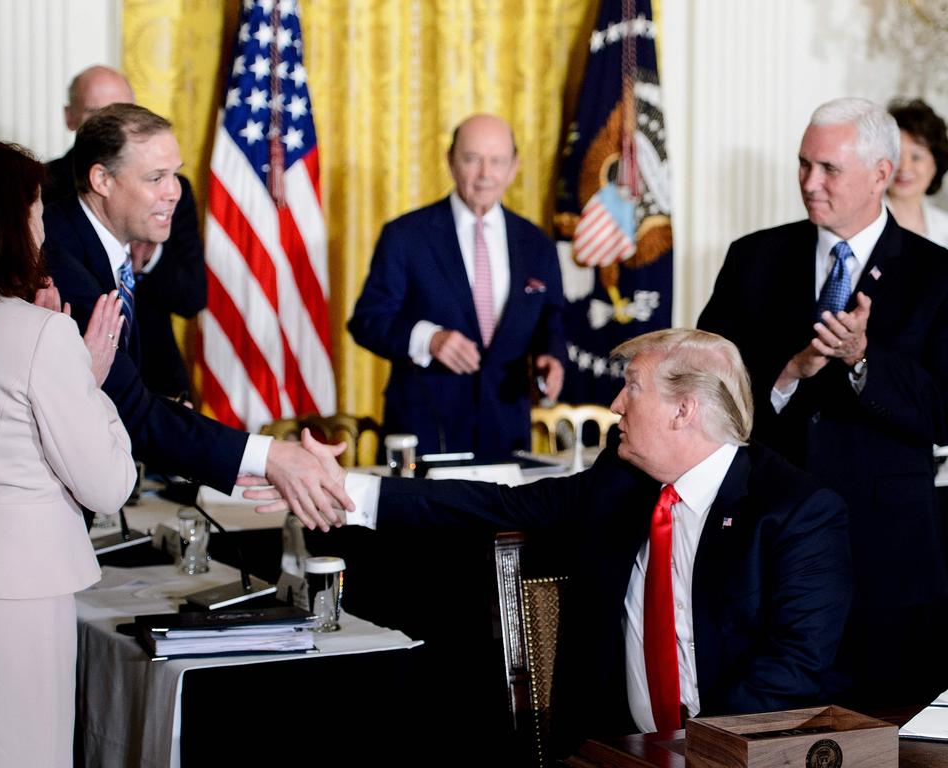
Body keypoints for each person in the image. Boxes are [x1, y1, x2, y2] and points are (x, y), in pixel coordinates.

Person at [249, 328, 853, 756]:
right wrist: (342, 488)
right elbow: (494, 506)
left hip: (737, 755)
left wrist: (690, 754)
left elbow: (792, 669)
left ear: (683, 410)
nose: (615, 404)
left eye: (633, 388)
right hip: (614, 750)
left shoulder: (797, 512)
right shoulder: (623, 483)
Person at [698, 97, 948, 708]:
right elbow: (707, 389)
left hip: (885, 562)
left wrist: (865, 362)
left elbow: (945, 411)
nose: (810, 184)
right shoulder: (753, 258)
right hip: (767, 551)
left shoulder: (937, 275)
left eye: (829, 169)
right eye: (803, 165)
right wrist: (787, 374)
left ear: (881, 173)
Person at [0, 139, 136, 766]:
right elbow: (109, 485)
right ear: (3, 220)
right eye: (37, 208)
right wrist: (89, 382)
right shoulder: (41, 334)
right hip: (16, 592)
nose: (44, 224)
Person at [42, 103, 350, 529]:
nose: (175, 191)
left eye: (175, 174)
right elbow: (129, 408)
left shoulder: (95, 241)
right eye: (155, 178)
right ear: (101, 180)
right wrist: (271, 455)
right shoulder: (61, 257)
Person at [348, 114, 566, 460]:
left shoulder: (536, 244)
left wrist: (551, 356)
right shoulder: (405, 236)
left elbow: (551, 318)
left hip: (506, 435)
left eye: (497, 161)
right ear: (451, 161)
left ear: (514, 167)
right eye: (472, 159)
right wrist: (429, 339)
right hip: (425, 437)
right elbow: (367, 321)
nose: (485, 174)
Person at [46, 64, 206, 399]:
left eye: (124, 110)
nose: (171, 190)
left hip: (158, 380)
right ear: (70, 116)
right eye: (98, 112)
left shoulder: (171, 195)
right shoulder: (43, 195)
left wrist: (149, 260)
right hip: (89, 389)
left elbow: (192, 297)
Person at [886, 98, 948, 247]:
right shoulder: (865, 220)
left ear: (936, 164)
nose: (904, 167)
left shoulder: (944, 227)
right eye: (896, 155)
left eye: (916, 157)